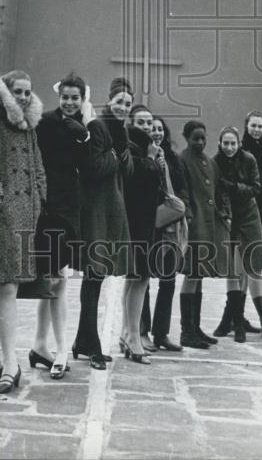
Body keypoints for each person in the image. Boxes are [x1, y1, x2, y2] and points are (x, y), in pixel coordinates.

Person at [0, 70, 46, 394]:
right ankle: (11, 362)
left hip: (27, 212)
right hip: (3, 214)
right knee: (8, 283)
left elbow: (37, 165)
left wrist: (41, 196)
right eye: (18, 91)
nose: (23, 97)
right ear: (5, 91)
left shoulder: (28, 125)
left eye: (28, 92)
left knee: (3, 282)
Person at [31, 71, 92, 380]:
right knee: (53, 278)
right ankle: (50, 347)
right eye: (65, 97)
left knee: (57, 278)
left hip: (70, 212)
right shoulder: (45, 122)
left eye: (75, 98)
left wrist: (85, 129)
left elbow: (90, 164)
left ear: (83, 99)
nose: (69, 102)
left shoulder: (84, 128)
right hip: (47, 209)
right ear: (60, 97)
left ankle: (53, 348)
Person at [72, 76, 134, 370]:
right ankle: (90, 342)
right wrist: (115, 157)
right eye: (119, 102)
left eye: (127, 104)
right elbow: (92, 167)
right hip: (97, 209)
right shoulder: (98, 127)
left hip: (111, 209)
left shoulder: (122, 132)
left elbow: (126, 172)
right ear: (109, 101)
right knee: (93, 275)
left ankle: (83, 341)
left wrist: (124, 158)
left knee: (96, 277)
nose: (123, 107)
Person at [214, 109, 262, 337]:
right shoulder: (228, 156)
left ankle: (261, 318)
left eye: (260, 126)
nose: (257, 129)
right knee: (236, 270)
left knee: (253, 267)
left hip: (251, 215)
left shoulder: (254, 154)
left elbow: (260, 189)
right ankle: (234, 319)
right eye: (253, 126)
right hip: (233, 217)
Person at [178, 120, 232, 349]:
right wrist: (188, 216)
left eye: (203, 138)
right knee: (191, 275)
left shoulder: (210, 163)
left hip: (208, 226)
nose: (200, 142)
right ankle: (186, 331)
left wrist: (223, 211)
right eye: (195, 138)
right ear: (187, 138)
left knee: (199, 276)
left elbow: (219, 191)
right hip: (194, 226)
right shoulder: (183, 160)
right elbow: (183, 191)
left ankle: (196, 328)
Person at [139, 115, 187, 352]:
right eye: (152, 129)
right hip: (150, 224)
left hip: (169, 226)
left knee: (168, 281)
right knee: (144, 281)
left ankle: (161, 333)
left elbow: (180, 190)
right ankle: (141, 332)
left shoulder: (173, 160)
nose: (156, 132)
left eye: (160, 129)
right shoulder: (143, 156)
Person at [118, 104, 162, 364]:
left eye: (149, 122)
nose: (146, 127)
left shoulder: (145, 148)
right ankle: (134, 338)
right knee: (140, 277)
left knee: (135, 278)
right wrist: (153, 159)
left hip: (145, 219)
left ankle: (127, 333)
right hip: (136, 221)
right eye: (141, 122)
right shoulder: (132, 148)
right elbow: (139, 174)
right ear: (131, 122)